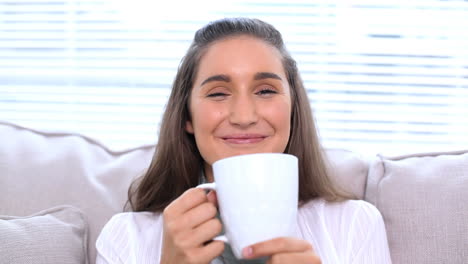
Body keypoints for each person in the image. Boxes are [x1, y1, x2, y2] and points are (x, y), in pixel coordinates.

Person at [95, 17, 392, 264]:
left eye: (265, 91)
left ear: (293, 109)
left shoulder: (354, 224)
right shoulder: (126, 238)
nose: (244, 116)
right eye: (218, 93)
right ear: (187, 117)